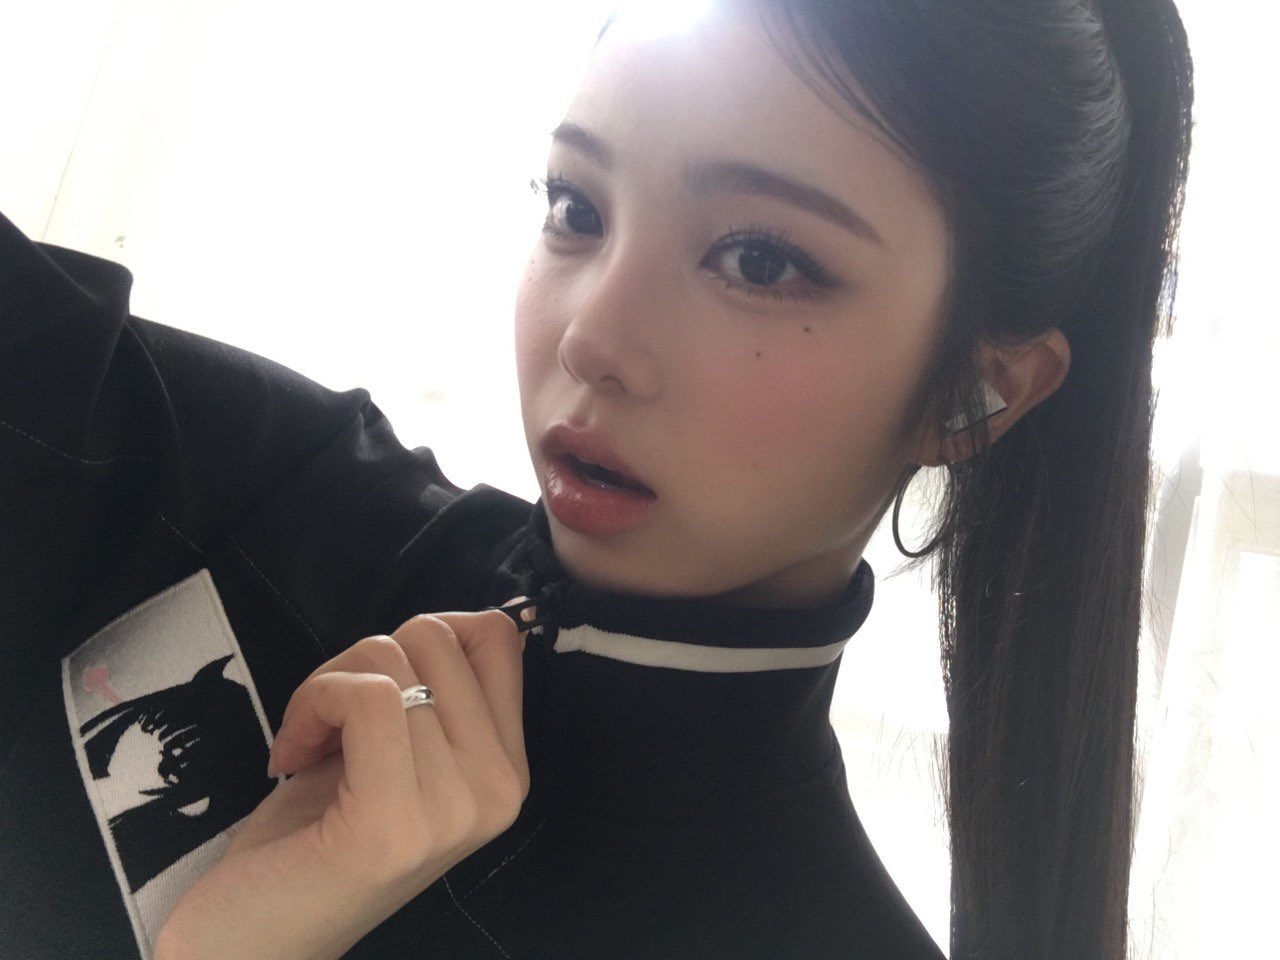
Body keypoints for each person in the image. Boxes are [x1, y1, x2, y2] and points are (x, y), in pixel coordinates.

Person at [0, 0, 1193, 958]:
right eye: (576, 206)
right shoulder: (258, 482)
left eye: (758, 260)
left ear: (975, 392)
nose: (591, 337)